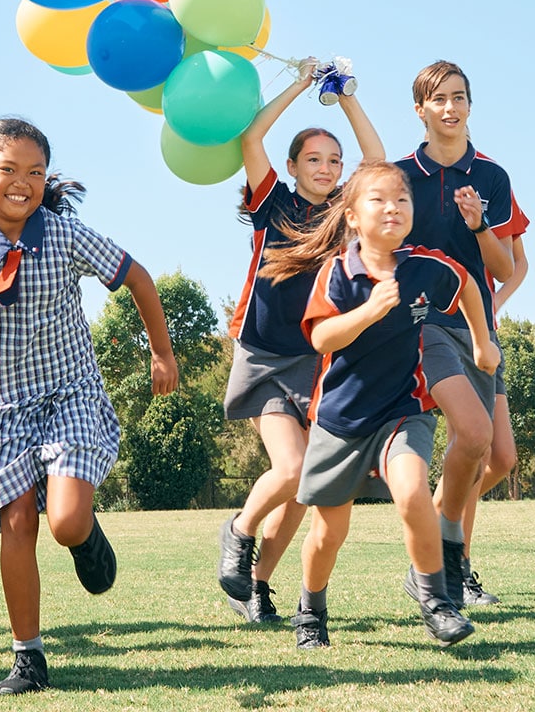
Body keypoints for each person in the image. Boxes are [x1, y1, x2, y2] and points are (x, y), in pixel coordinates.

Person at [0, 117, 179, 695]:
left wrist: (160, 352)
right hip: (5, 409)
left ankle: (85, 536)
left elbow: (137, 277)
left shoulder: (62, 234)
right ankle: (28, 656)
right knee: (17, 521)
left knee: (62, 521)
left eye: (35, 172)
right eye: (8, 169)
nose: (23, 182)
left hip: (71, 395)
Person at [259, 160, 500, 647]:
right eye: (379, 200)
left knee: (412, 491)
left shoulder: (425, 266)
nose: (393, 208)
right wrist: (369, 311)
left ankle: (436, 601)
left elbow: (469, 286)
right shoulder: (338, 272)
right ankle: (311, 611)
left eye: (402, 200)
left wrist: (481, 342)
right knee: (329, 532)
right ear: (352, 217)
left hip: (402, 410)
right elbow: (323, 337)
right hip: (340, 421)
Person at [219, 58, 384, 623]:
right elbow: (252, 135)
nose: (326, 167)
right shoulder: (273, 203)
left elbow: (378, 163)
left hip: (317, 361)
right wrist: (299, 81)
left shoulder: (346, 213)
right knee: (288, 471)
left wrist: (346, 100)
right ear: (291, 167)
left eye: (334, 160)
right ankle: (238, 532)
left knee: (303, 486)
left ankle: (259, 584)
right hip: (264, 357)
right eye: (313, 159)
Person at [394, 60, 516, 608]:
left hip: (478, 328)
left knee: (500, 457)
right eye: (439, 99)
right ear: (419, 109)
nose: (451, 108)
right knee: (471, 436)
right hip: (422, 325)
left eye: (460, 97)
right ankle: (447, 561)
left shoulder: (491, 177)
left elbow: (507, 269)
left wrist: (478, 225)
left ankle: (441, 551)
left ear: (471, 105)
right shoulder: (400, 177)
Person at [456, 194, 530, 606]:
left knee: (502, 458)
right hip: (440, 328)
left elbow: (518, 264)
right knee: (473, 449)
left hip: (486, 333)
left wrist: (494, 304)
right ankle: (456, 568)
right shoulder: (414, 176)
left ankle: (438, 516)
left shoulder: (492, 179)